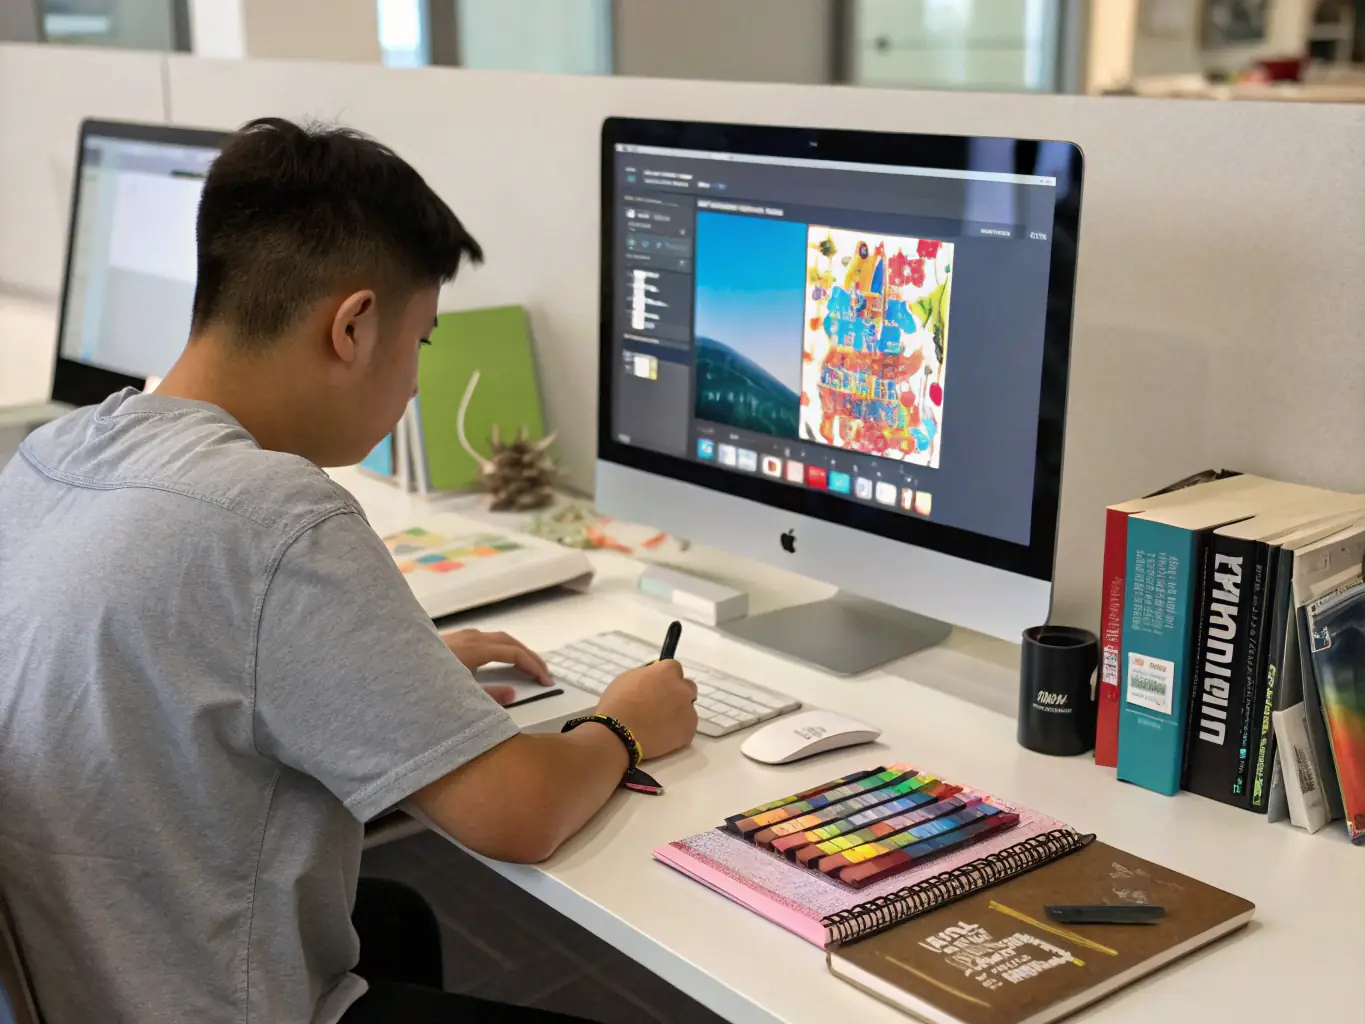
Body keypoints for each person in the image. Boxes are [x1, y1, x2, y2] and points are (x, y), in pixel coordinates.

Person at [0, 118, 699, 1023]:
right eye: (423, 343)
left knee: (393, 919)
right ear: (354, 326)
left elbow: (162, 680)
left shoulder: (49, 457)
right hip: (198, 997)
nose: (413, 382)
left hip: (77, 975)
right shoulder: (276, 517)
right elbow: (516, 817)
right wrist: (625, 723)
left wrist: (384, 682)